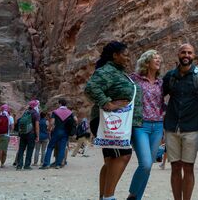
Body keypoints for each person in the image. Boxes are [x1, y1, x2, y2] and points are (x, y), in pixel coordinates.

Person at [85, 41, 141, 200]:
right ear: (115, 55)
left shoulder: (119, 72)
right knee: (123, 155)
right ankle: (109, 197)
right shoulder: (108, 70)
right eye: (125, 55)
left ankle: (104, 196)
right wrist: (107, 103)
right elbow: (90, 88)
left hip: (114, 122)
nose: (128, 58)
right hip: (108, 122)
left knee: (111, 160)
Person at [162, 43, 198, 200]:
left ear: (194, 56)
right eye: (183, 52)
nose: (186, 55)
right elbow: (157, 96)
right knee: (175, 167)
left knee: (188, 167)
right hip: (172, 127)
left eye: (189, 52)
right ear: (178, 54)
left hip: (192, 127)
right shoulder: (170, 76)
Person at [127, 49, 166, 200]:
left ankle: (137, 198)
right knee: (146, 164)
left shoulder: (161, 82)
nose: (158, 60)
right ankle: (132, 194)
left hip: (158, 126)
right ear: (147, 61)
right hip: (140, 125)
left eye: (159, 58)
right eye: (155, 58)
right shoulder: (135, 79)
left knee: (148, 167)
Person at [41, 99, 76, 169]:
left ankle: (46, 164)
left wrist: (49, 129)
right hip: (65, 132)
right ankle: (58, 164)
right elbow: (76, 120)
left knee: (50, 147)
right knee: (62, 148)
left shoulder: (55, 112)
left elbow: (52, 122)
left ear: (60, 104)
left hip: (57, 131)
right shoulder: (70, 112)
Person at [15, 100, 41, 170]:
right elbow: (37, 126)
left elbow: (18, 121)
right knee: (30, 150)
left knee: (21, 149)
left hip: (23, 133)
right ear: (35, 106)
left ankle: (19, 165)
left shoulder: (25, 112)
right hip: (31, 134)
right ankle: (27, 165)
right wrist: (37, 136)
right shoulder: (35, 114)